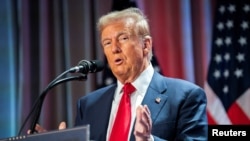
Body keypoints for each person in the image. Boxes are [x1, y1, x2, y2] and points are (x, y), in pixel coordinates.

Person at [34, 7, 208, 141]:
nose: (114, 49)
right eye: (107, 43)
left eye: (123, 38)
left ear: (146, 45)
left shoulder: (186, 96)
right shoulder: (88, 105)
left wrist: (148, 140)